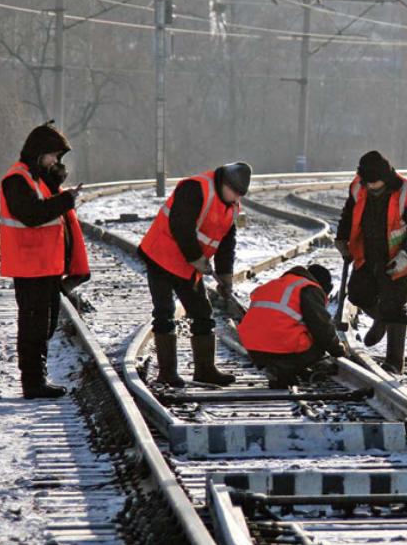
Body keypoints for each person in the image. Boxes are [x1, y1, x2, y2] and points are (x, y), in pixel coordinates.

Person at [139, 163, 251, 388]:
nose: (237, 198)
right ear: (224, 183)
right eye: (235, 192)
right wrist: (196, 258)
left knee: (202, 313)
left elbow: (226, 243)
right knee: (164, 312)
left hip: (187, 265)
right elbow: (181, 225)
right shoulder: (195, 188)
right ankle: (167, 373)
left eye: (240, 194)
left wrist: (225, 275)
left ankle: (205, 370)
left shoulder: (233, 206)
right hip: (160, 256)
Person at [0, 120, 88, 399]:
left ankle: (39, 378)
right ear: (39, 154)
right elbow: (32, 214)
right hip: (30, 266)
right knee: (33, 326)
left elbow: (47, 209)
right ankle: (33, 383)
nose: (55, 161)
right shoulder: (17, 179)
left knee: (44, 325)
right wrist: (67, 199)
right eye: (53, 157)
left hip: (45, 265)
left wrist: (55, 180)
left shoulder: (36, 179)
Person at [334, 151, 407, 374]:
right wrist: (341, 238)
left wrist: (406, 256)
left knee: (395, 308)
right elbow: (349, 213)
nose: (371, 188)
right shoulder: (358, 186)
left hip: (395, 257)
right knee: (357, 293)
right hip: (366, 252)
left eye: (375, 184)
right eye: (368, 183)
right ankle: (381, 319)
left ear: (386, 177)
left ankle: (394, 363)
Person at [238, 264, 347, 388]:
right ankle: (285, 368)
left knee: (297, 329)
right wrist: (338, 350)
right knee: (318, 341)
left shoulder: (275, 284)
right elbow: (322, 327)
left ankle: (280, 367)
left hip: (253, 348)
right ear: (326, 287)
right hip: (280, 346)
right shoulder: (309, 288)